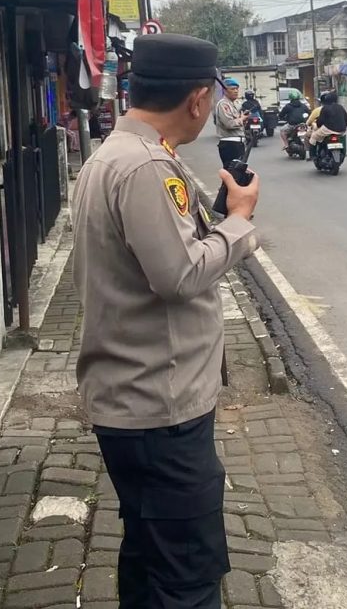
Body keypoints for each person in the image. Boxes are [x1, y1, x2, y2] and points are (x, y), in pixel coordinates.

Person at [72, 33, 261, 608]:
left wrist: (219, 216)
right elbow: (179, 276)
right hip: (160, 409)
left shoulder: (115, 155)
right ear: (199, 99)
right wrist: (240, 223)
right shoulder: (147, 166)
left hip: (135, 400)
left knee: (150, 557)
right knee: (187, 577)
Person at [308, 90, 347, 155]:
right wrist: (344, 127)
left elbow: (320, 121)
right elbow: (346, 118)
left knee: (314, 136)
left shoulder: (325, 108)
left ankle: (312, 155)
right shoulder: (340, 107)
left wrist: (317, 126)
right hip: (341, 130)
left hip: (328, 130)